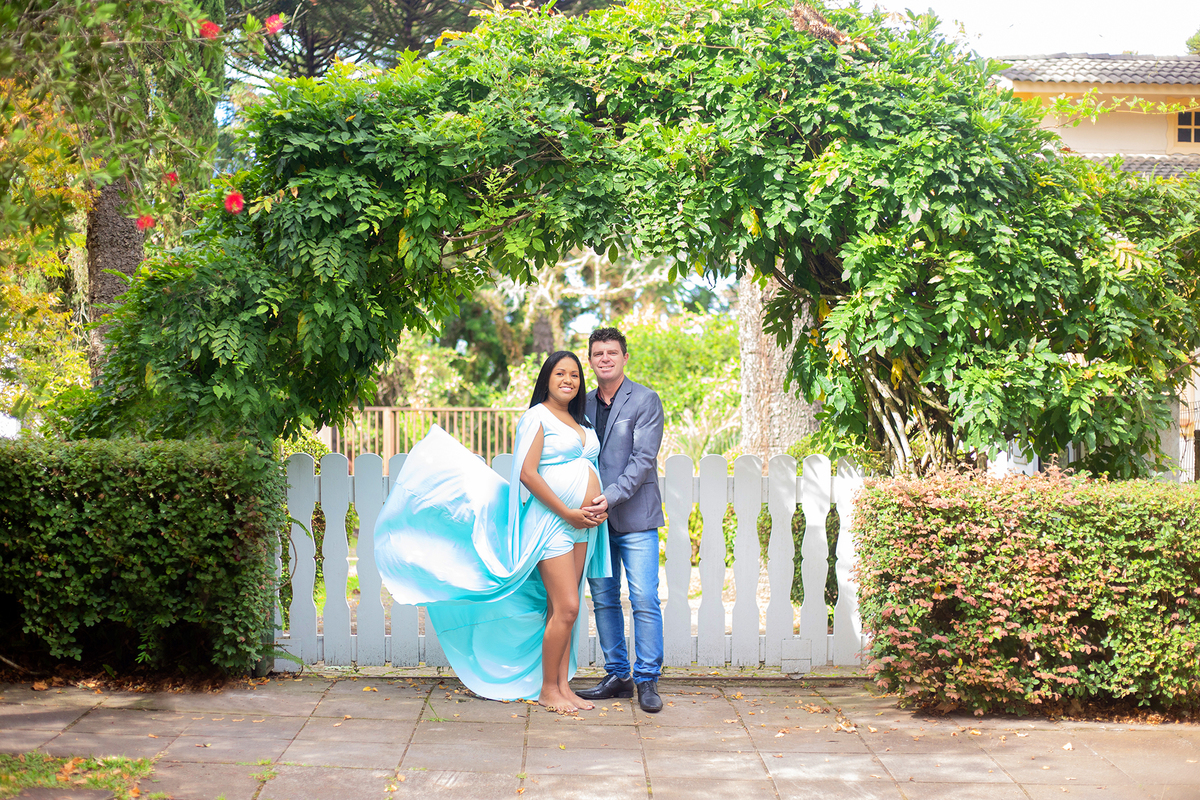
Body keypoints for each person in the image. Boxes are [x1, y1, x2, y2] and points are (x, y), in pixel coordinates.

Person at [373, 351, 610, 712]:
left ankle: (564, 686)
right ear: (546, 378)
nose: (568, 380)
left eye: (575, 375)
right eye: (560, 373)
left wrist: (594, 508)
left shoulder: (582, 421)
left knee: (558, 609)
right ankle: (548, 690)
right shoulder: (537, 417)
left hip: (582, 526)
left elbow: (587, 466)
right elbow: (528, 474)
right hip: (552, 524)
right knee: (568, 608)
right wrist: (568, 512)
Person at [575, 327, 666, 713]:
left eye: (612, 352)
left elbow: (642, 461)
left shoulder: (645, 400)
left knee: (644, 598)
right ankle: (618, 676)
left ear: (624, 357)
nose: (605, 359)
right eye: (598, 353)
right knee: (604, 599)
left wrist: (606, 499)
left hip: (636, 517)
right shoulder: (580, 403)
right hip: (594, 520)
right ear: (591, 360)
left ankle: (647, 679)